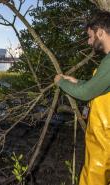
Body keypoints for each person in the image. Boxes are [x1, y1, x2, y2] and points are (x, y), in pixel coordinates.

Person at [54, 11, 110, 185]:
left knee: (95, 178)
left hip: (105, 139)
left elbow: (86, 93)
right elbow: (101, 87)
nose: (89, 41)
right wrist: (77, 81)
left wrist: (60, 82)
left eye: (90, 36)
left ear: (100, 32)